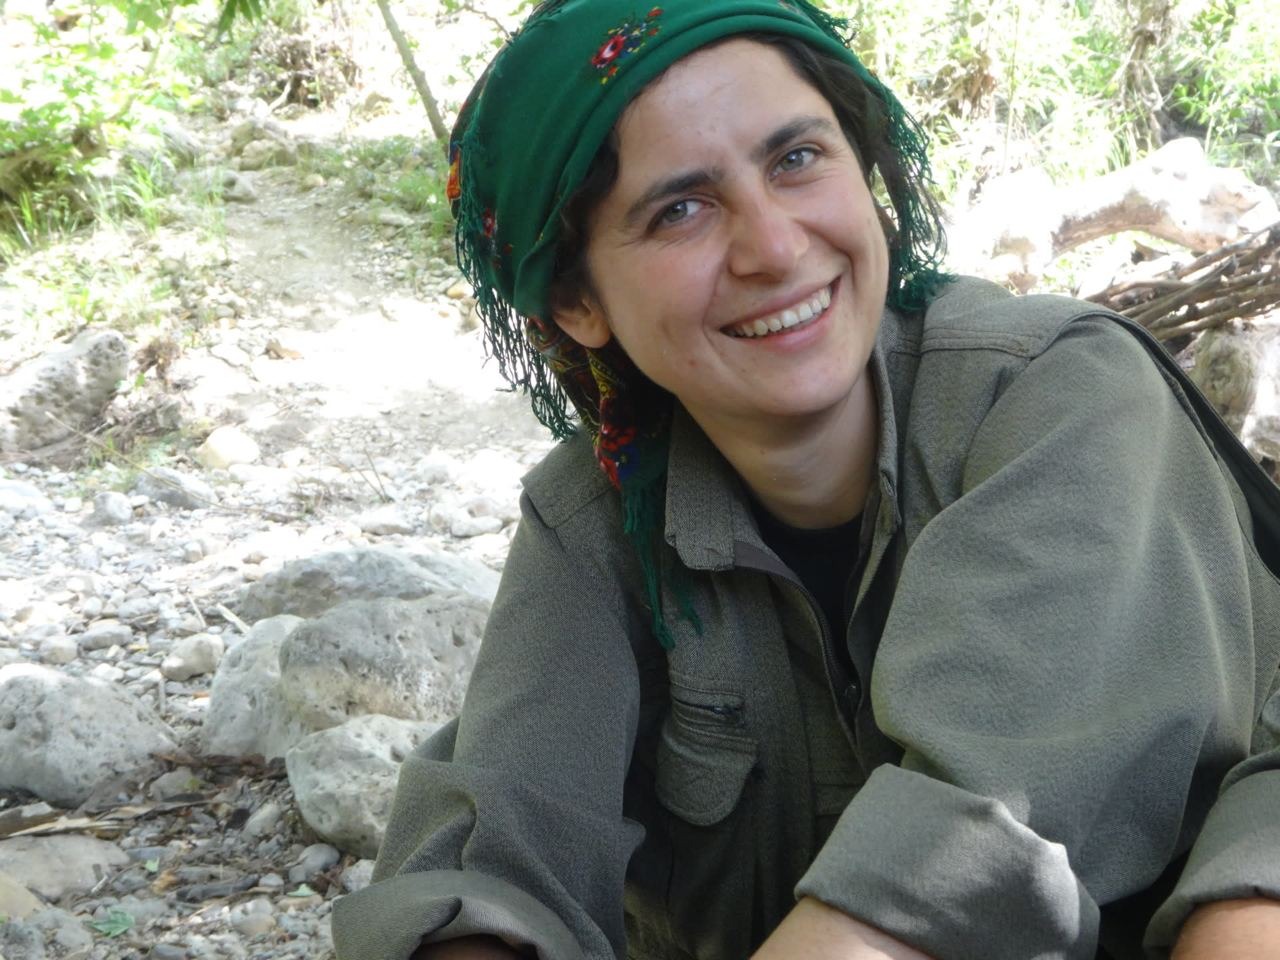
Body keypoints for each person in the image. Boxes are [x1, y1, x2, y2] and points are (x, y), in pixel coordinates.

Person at [331, 2, 1280, 958]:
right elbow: (493, 853)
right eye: (679, 210)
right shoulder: (599, 518)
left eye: (796, 159)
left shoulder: (1060, 394)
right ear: (578, 302)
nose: (776, 249)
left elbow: (969, 848)